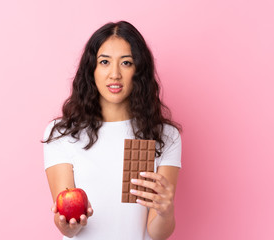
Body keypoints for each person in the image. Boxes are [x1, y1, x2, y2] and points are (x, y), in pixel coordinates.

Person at [42, 20, 182, 240]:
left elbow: (157, 233)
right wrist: (69, 224)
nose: (114, 74)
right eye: (104, 62)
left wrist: (166, 210)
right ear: (92, 69)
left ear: (139, 70)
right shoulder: (62, 134)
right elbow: (69, 228)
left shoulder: (164, 135)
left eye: (126, 63)